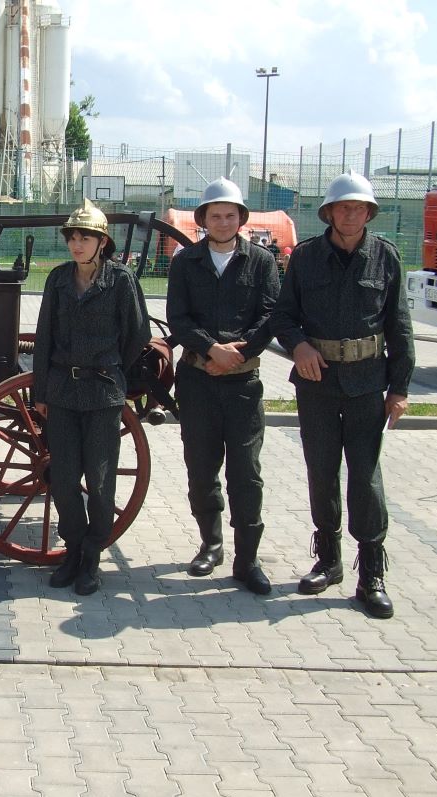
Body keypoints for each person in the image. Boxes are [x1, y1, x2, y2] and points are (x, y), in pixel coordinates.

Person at [272, 171, 414, 619]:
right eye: (343, 207)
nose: (351, 214)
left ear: (369, 213)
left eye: (359, 208)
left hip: (368, 384)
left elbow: (401, 328)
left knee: (366, 476)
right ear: (329, 212)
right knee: (321, 470)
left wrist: (401, 388)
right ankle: (328, 560)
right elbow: (282, 316)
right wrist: (298, 346)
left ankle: (371, 572)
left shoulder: (385, 259)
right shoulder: (307, 258)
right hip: (317, 384)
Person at [166, 179, 279, 596]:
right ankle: (210, 544)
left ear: (241, 219)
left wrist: (237, 353)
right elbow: (177, 319)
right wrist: (211, 349)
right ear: (203, 220)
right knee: (201, 467)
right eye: (215, 214)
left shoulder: (262, 262)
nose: (223, 221)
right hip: (196, 380)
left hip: (243, 384)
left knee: (246, 473)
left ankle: (247, 560)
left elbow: (270, 316)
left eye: (230, 214)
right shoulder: (185, 263)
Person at [32, 199, 150, 596]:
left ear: (103, 242)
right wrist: (41, 391)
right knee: (63, 479)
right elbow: (44, 335)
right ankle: (73, 549)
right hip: (63, 390)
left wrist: (112, 368)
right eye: (72, 238)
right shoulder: (59, 280)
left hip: (102, 392)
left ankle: (93, 555)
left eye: (85, 238)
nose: (77, 245)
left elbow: (137, 335)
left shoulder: (121, 281)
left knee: (100, 481)